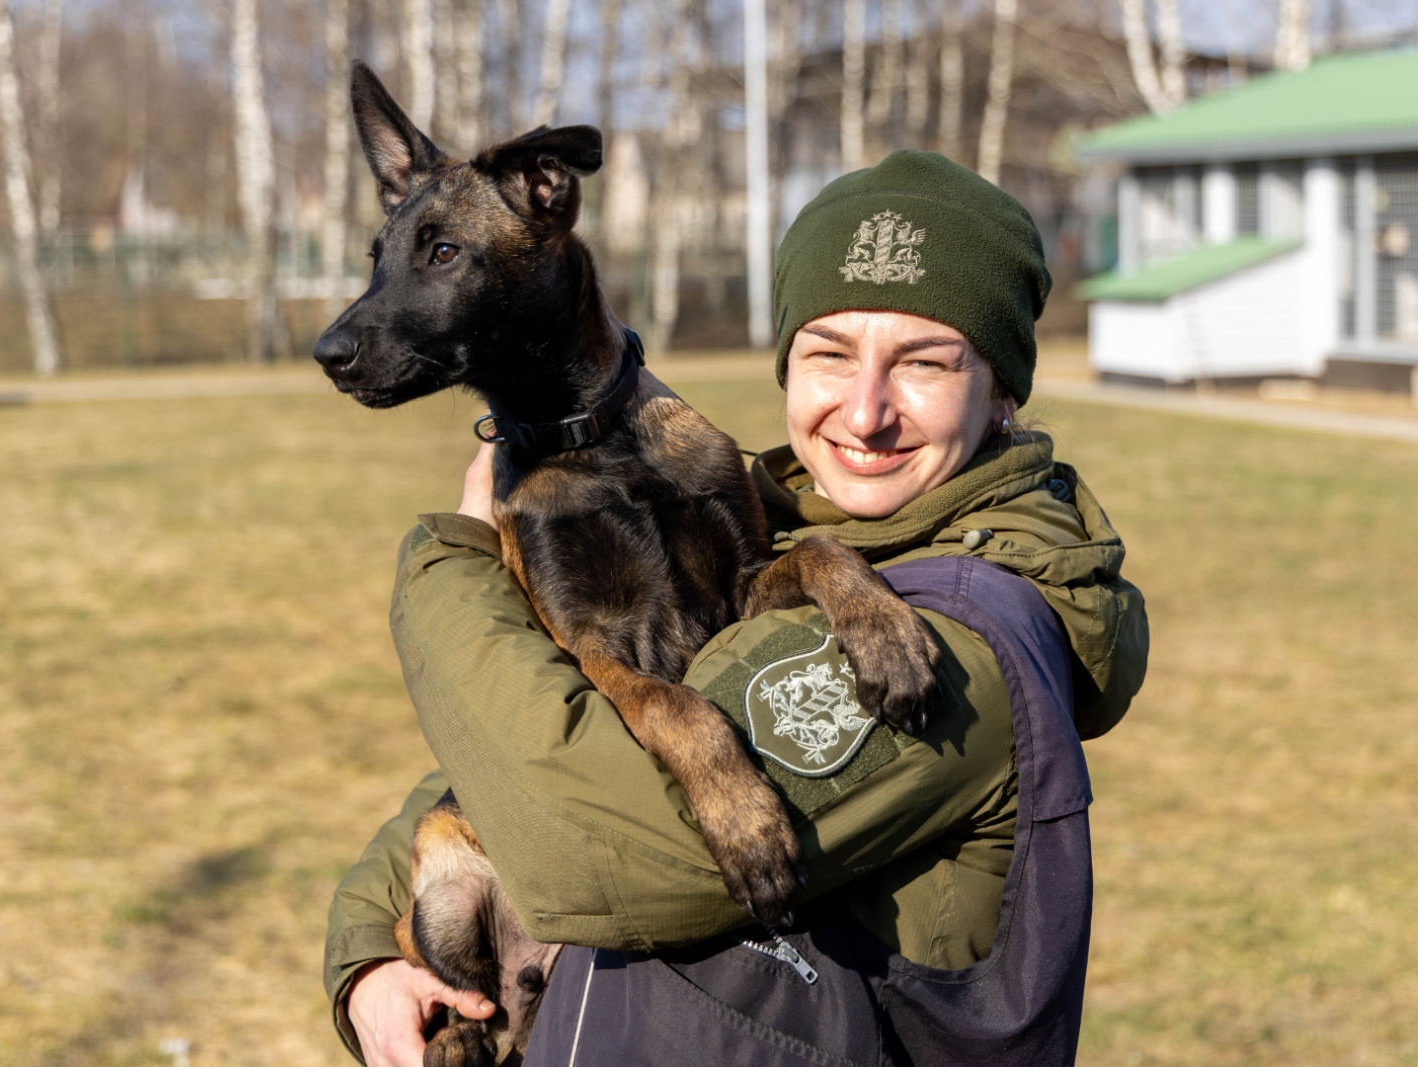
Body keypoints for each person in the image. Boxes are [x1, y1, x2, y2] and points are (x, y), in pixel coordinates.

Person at [324, 150, 1149, 1067]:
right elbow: (511, 737)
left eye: (924, 362)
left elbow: (595, 847)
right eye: (830, 353)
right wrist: (370, 956)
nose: (865, 412)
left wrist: (453, 558)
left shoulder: (973, 634)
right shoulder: (790, 513)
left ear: (1002, 392)